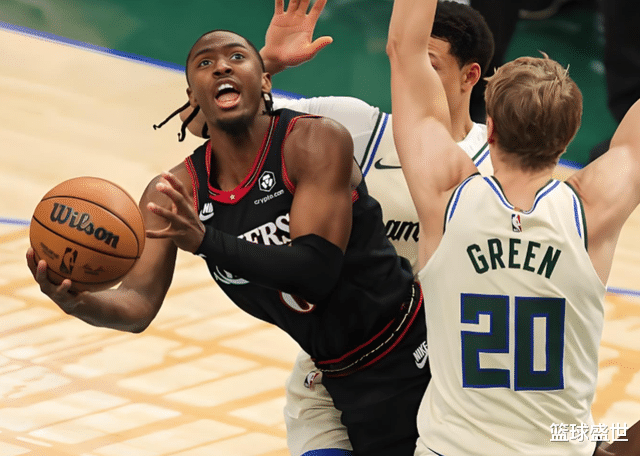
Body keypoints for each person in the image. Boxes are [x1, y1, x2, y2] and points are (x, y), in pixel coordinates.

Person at [27, 17, 430, 456]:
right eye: (205, 63)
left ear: (266, 81)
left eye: (237, 57)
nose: (221, 67)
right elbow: (138, 304)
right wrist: (79, 303)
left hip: (413, 348)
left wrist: (205, 241)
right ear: (191, 100)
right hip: (334, 374)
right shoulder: (175, 191)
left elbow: (316, 272)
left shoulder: (313, 140)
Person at [164, 1, 494, 454]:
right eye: (410, 55)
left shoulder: (491, 164)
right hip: (331, 361)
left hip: (429, 352)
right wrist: (266, 61)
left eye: (427, 61)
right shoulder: (358, 125)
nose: (409, 70)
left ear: (469, 77)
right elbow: (212, 119)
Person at [387, 0, 640, 454]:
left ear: (490, 130)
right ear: (570, 136)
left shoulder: (445, 195)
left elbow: (404, 48)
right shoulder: (593, 209)